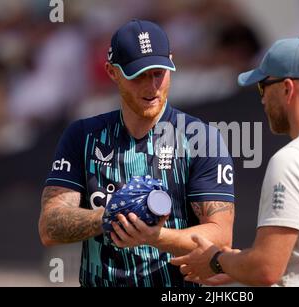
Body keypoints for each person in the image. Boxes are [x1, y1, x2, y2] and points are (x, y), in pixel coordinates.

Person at [38, 19, 235, 287]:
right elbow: (49, 227)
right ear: (112, 72)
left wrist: (155, 236)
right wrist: (108, 217)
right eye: (138, 75)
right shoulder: (83, 135)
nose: (152, 86)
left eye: (159, 73)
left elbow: (221, 235)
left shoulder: (201, 138)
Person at [171, 37, 299, 287]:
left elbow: (266, 268)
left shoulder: (293, 160)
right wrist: (237, 264)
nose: (261, 100)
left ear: (287, 88)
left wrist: (216, 260)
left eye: (263, 87)